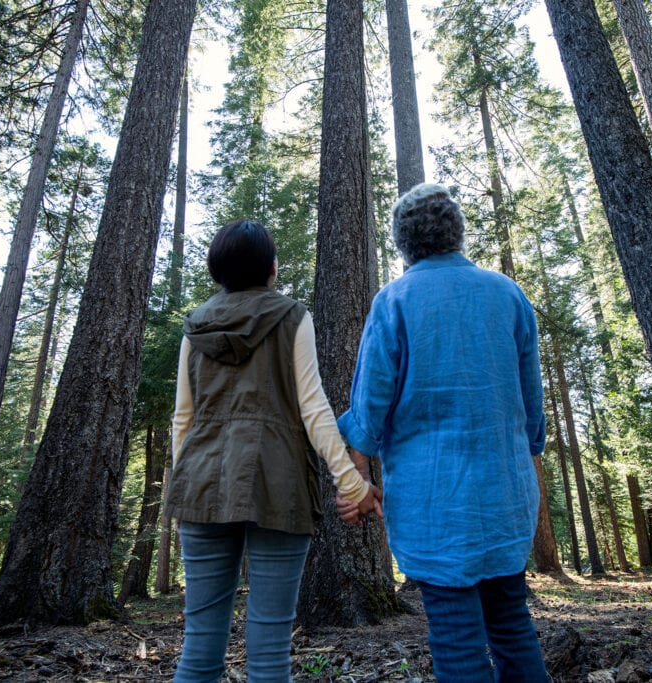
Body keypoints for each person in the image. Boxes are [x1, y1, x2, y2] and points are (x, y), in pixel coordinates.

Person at [336, 183, 550, 682]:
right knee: (514, 627)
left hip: (434, 504)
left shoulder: (395, 300)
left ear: (403, 243)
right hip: (504, 496)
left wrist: (356, 482)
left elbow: (369, 407)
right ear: (457, 234)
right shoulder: (507, 294)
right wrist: (527, 453)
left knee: (456, 638)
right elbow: (531, 405)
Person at [165, 219, 382, 683]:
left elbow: (183, 419)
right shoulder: (291, 316)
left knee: (199, 648)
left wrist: (180, 495)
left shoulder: (194, 326)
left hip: (201, 482)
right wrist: (353, 483)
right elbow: (314, 408)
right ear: (270, 267)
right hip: (278, 484)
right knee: (269, 651)